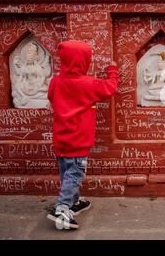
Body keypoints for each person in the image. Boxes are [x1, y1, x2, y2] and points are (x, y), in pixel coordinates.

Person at [46, 40, 119, 230]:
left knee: (66, 173)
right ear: (83, 61)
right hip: (78, 141)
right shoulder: (88, 84)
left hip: (61, 139)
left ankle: (74, 202)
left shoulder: (56, 81)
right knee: (75, 174)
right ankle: (61, 209)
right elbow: (110, 88)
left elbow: (51, 96)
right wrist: (112, 70)